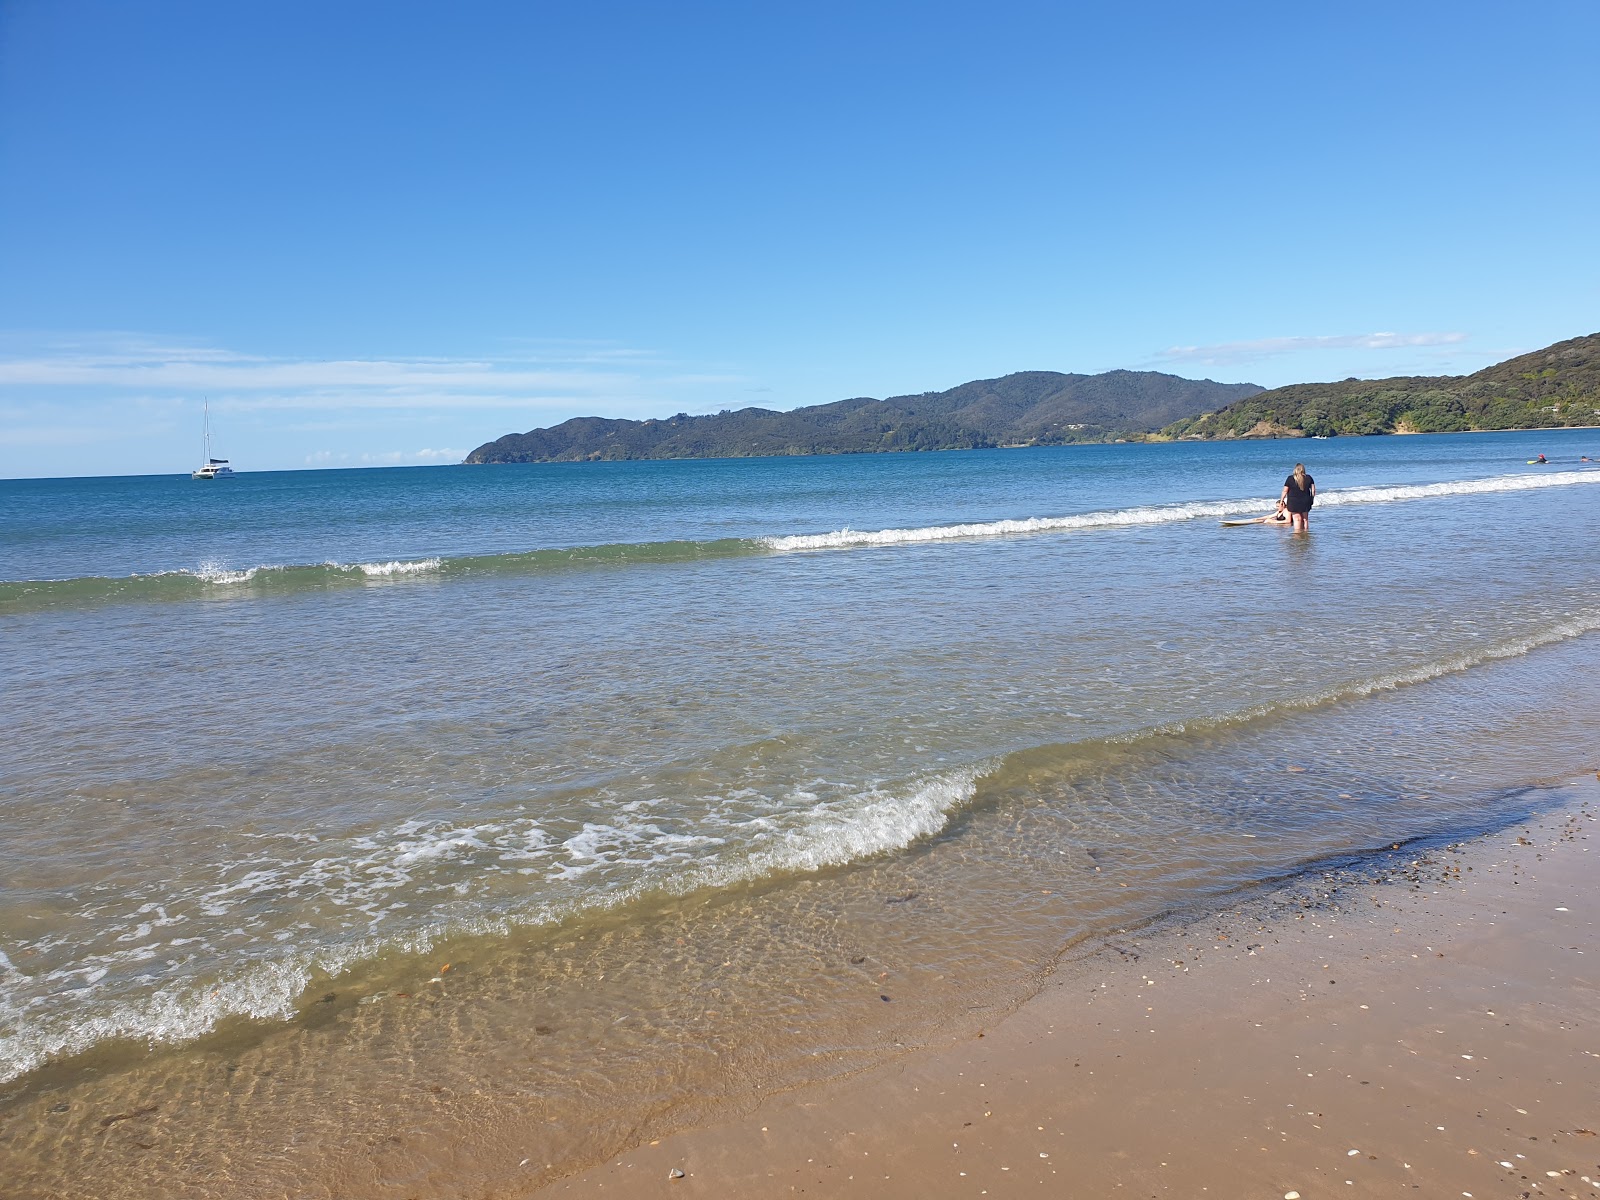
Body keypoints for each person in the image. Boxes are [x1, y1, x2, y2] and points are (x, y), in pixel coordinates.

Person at [1280, 462, 1316, 532]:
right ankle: (1306, 534)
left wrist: (1281, 500)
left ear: (1295, 470)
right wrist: (1312, 499)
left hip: (1293, 502)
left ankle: (1297, 535)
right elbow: (1313, 491)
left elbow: (1285, 491)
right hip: (1305, 501)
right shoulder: (1308, 477)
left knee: (1297, 519)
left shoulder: (1290, 478)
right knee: (1305, 519)